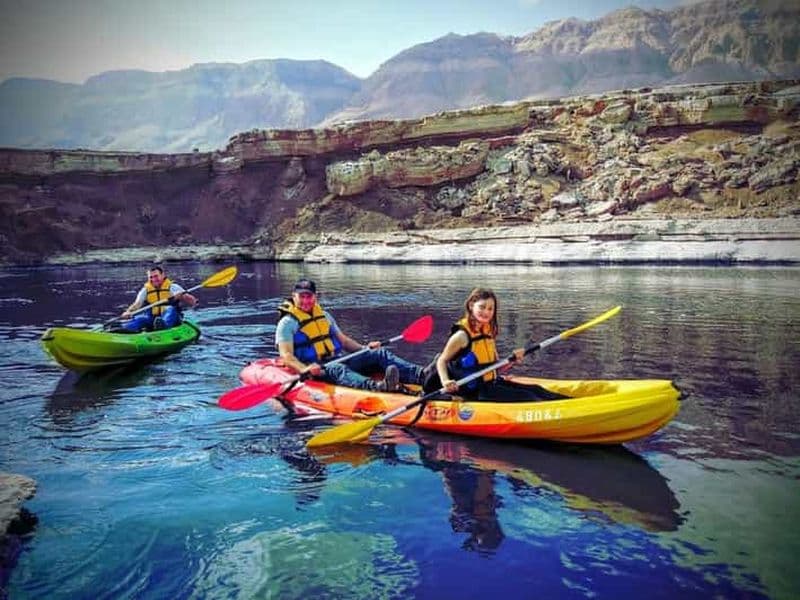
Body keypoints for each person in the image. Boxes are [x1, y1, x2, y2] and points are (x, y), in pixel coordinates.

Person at [275, 278, 423, 392]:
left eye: (309, 297)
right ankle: (378, 388)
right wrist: (303, 369)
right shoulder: (287, 323)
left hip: (336, 359)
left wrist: (365, 349)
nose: (306, 301)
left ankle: (421, 375)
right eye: (302, 297)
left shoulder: (324, 315)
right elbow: (286, 355)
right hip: (315, 368)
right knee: (338, 369)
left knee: (379, 353)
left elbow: (344, 342)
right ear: (294, 296)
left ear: (316, 297)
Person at [427, 287, 567, 402]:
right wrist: (446, 381)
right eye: (482, 307)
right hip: (476, 391)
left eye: (490, 309)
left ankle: (574, 404)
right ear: (471, 305)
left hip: (491, 384)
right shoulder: (462, 336)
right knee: (530, 398)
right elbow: (442, 360)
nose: (486, 312)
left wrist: (512, 361)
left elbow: (494, 369)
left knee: (537, 389)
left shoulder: (488, 333)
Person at [120, 265, 198, 332]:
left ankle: (163, 325)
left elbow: (191, 300)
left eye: (156, 276)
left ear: (163, 275)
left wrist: (182, 296)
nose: (154, 279)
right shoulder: (145, 290)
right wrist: (128, 311)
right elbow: (137, 304)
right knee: (140, 319)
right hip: (152, 318)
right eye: (151, 277)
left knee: (170, 309)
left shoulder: (173, 287)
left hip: (172, 318)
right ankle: (125, 329)